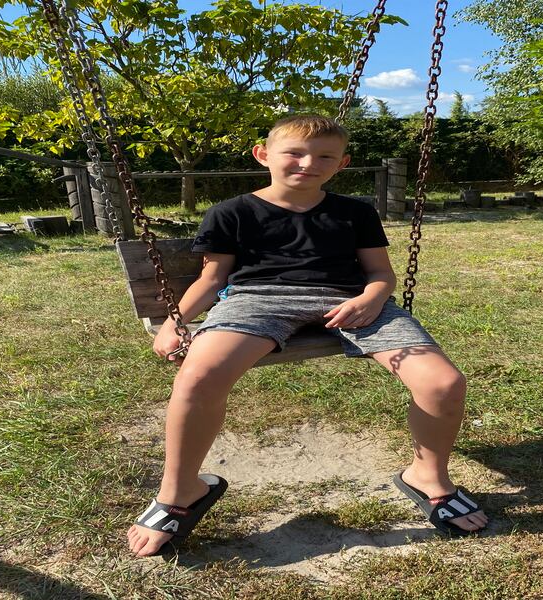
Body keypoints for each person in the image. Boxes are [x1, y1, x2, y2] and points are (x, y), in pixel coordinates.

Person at [126, 114, 488, 557]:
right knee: (199, 375)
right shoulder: (232, 212)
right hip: (258, 300)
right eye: (293, 153)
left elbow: (380, 275)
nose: (307, 163)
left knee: (443, 383)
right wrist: (175, 320)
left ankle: (427, 476)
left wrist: (371, 299)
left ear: (342, 163)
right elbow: (211, 278)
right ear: (263, 156)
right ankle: (181, 490)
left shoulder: (355, 212)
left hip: (349, 301)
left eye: (324, 157)